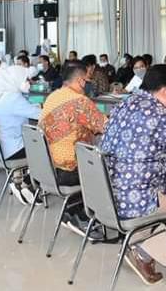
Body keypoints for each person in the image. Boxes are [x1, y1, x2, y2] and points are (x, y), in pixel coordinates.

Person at [102, 64, 166, 285]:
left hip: (111, 191)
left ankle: (140, 241)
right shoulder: (160, 113)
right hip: (140, 197)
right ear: (165, 91)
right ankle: (143, 254)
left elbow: (150, 133)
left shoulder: (126, 102)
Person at [39, 62, 106, 239]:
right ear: (81, 81)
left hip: (49, 167)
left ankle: (72, 210)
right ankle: (83, 216)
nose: (88, 83)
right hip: (70, 170)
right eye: (88, 80)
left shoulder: (52, 97)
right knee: (108, 168)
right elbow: (105, 127)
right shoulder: (81, 102)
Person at [0, 66, 41, 205]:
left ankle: (20, 181)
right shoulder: (13, 98)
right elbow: (40, 115)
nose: (29, 83)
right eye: (26, 79)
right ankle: (26, 184)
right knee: (49, 149)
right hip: (13, 151)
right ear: (16, 80)